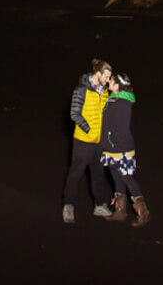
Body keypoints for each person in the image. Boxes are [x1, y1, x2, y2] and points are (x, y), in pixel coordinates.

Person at [62, 58, 114, 223]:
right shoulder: (81, 90)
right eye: (106, 77)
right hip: (83, 141)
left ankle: (99, 204)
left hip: (99, 142)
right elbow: (74, 113)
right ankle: (68, 205)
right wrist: (88, 129)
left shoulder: (104, 91)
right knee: (75, 173)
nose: (107, 80)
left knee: (98, 174)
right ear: (97, 74)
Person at [100, 72, 150, 226]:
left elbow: (121, 128)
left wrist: (113, 144)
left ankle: (144, 212)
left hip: (119, 147)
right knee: (116, 176)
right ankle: (120, 210)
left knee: (126, 177)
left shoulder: (122, 103)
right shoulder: (113, 99)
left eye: (112, 81)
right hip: (110, 147)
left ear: (118, 85)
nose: (109, 82)